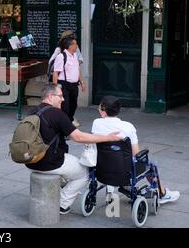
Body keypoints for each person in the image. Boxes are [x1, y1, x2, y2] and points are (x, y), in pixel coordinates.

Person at [26, 83, 123, 215]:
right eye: (60, 96)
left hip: (31, 161)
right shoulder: (57, 114)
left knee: (70, 163)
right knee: (85, 172)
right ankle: (62, 204)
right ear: (50, 96)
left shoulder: (32, 111)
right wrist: (107, 138)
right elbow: (78, 137)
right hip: (50, 163)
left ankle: (61, 182)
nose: (63, 99)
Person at [91, 95, 180, 205]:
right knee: (150, 164)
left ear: (103, 111)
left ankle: (123, 187)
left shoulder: (96, 123)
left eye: (99, 108)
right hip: (124, 171)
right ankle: (163, 193)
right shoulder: (128, 127)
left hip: (102, 167)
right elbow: (136, 154)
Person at [52, 36, 85, 127]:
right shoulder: (61, 57)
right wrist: (55, 88)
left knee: (73, 105)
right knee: (65, 107)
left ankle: (68, 124)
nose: (76, 46)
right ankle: (63, 127)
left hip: (74, 85)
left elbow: (77, 70)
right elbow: (55, 73)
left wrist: (82, 82)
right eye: (74, 44)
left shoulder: (75, 56)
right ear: (69, 46)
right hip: (64, 85)